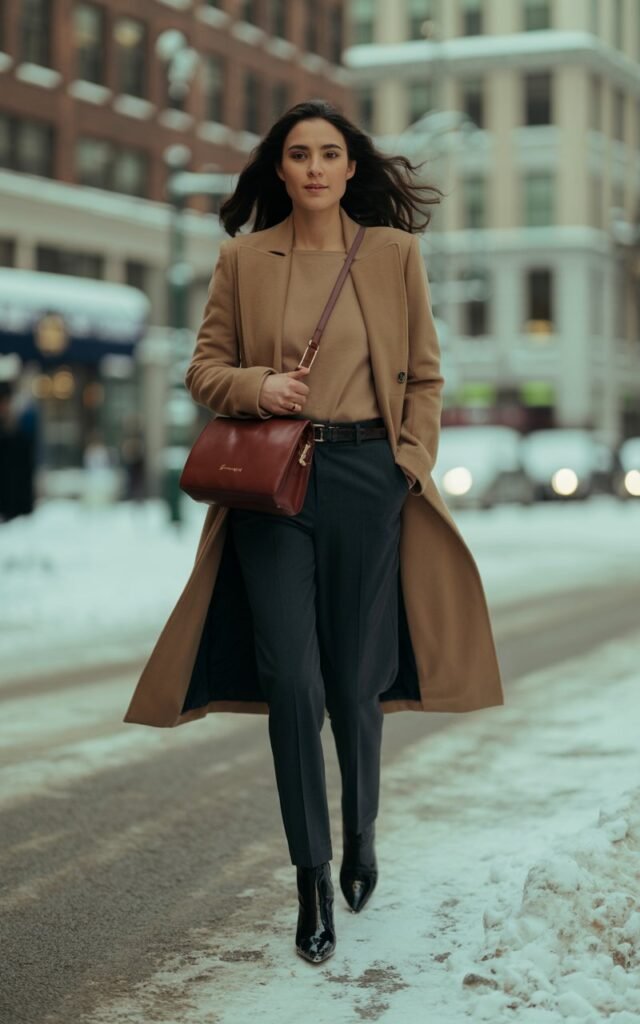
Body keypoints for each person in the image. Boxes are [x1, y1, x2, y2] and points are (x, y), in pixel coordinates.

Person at [123, 99, 504, 965]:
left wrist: (409, 461)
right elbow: (205, 369)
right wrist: (261, 389)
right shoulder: (242, 260)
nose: (316, 169)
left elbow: (427, 376)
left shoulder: (395, 253)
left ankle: (362, 834)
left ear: (352, 167)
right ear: (280, 168)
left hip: (370, 477)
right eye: (299, 155)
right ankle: (311, 875)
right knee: (289, 675)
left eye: (331, 154)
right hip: (274, 486)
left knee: (353, 677)